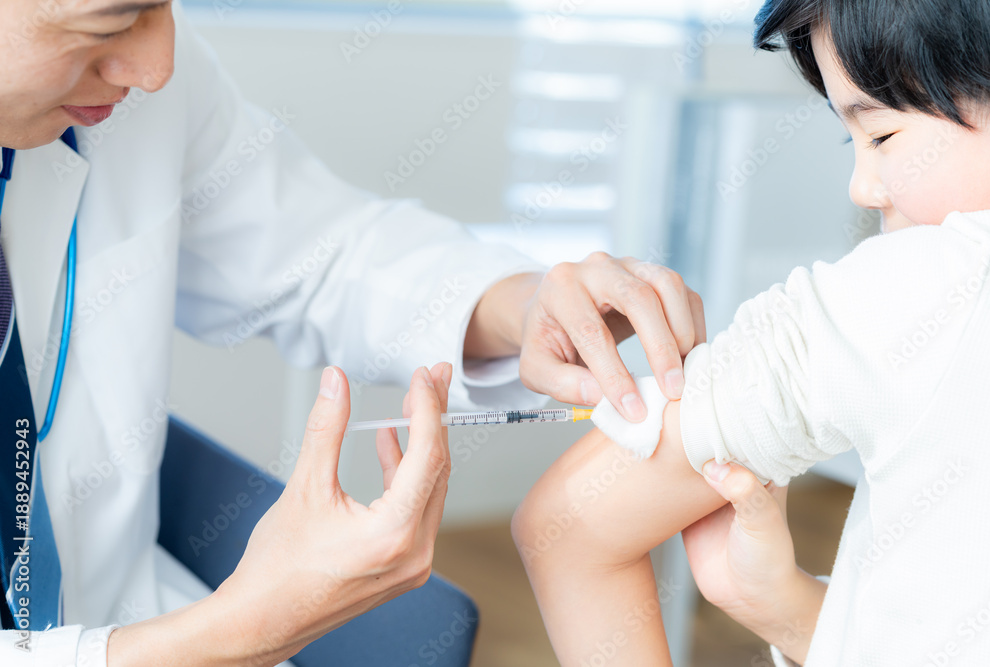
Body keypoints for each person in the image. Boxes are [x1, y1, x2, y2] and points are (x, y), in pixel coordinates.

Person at [0, 0, 710, 663]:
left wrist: (523, 308)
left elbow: (323, 253)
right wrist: (237, 634)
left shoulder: (143, 96)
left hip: (120, 601)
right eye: (106, 26)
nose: (158, 67)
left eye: (163, 5)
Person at [512, 0, 990, 664]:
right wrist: (787, 610)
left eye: (882, 134)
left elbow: (566, 529)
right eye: (852, 141)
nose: (862, 187)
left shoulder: (923, 284)